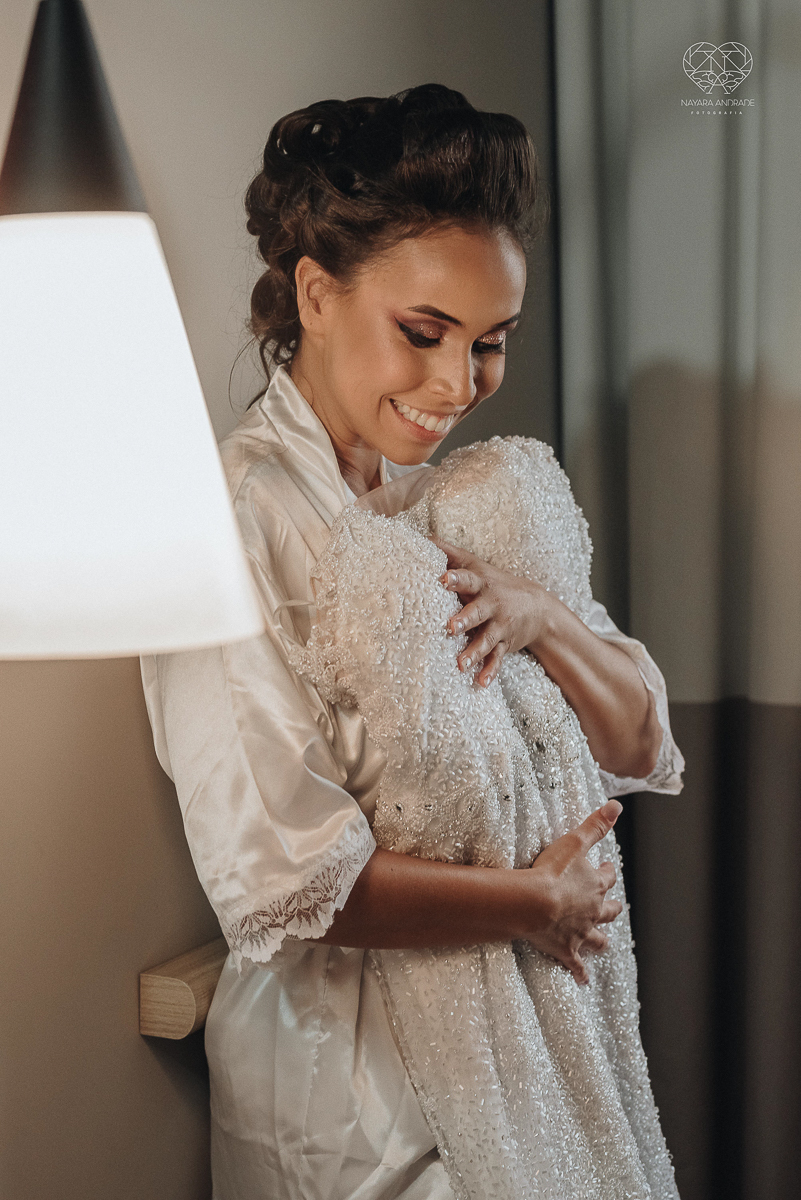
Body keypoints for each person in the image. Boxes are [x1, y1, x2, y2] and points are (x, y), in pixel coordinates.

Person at [140, 84, 684, 1200]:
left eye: (490, 343)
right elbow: (286, 877)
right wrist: (534, 903)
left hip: (524, 1054)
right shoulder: (234, 523)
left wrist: (543, 618)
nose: (458, 385)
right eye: (424, 334)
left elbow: (636, 741)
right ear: (316, 293)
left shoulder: (467, 500)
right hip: (350, 1098)